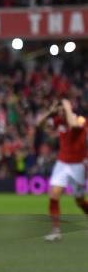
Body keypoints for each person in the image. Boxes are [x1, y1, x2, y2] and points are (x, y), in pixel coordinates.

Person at [36, 98, 88, 241]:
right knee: (54, 195)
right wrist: (49, 113)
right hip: (62, 164)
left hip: (78, 165)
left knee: (79, 201)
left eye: (61, 109)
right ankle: (56, 231)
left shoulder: (81, 120)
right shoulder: (59, 121)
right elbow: (38, 125)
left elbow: (73, 125)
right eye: (59, 109)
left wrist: (67, 107)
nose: (59, 111)